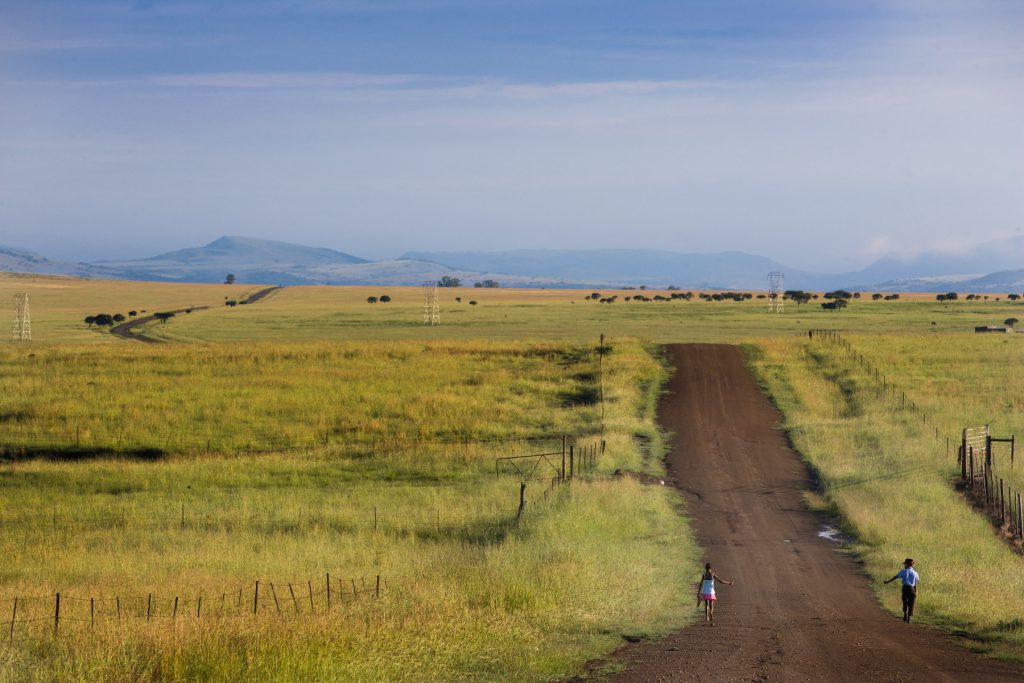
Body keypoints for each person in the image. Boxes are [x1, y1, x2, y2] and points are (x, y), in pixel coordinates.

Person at [884, 558, 920, 622]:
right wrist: (916, 592)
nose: (904, 565)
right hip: (912, 589)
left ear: (908, 564)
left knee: (904, 601)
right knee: (911, 603)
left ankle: (905, 614)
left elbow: (896, 577)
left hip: (905, 588)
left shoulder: (903, 571)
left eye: (905, 564)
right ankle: (909, 617)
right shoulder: (915, 573)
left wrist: (888, 581)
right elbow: (915, 584)